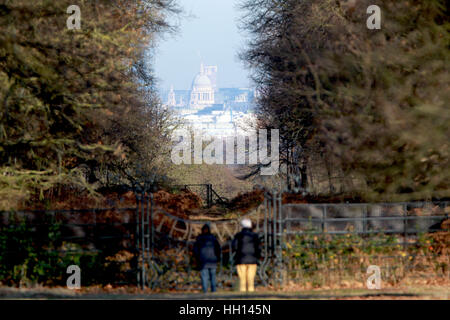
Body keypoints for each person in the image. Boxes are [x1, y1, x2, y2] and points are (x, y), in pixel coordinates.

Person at [232, 218, 261, 292]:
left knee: (242, 277)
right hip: (252, 258)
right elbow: (258, 247)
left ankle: (242, 290)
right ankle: (251, 289)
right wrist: (258, 256)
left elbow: (234, 246)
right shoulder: (255, 236)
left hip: (241, 258)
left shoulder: (238, 235)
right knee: (251, 277)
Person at [193, 224, 221, 293]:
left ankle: (205, 292)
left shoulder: (199, 238)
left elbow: (195, 250)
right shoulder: (213, 238)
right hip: (212, 260)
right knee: (213, 277)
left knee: (204, 277)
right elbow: (218, 249)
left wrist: (197, 258)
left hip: (203, 261)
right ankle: (213, 291)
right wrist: (218, 257)